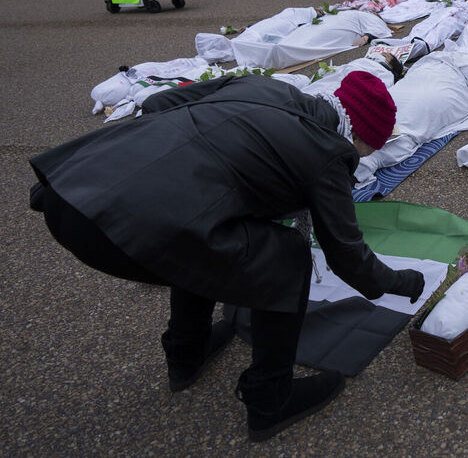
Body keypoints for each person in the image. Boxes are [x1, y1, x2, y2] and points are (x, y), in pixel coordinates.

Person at [28, 71, 425, 442]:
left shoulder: (264, 87)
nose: (363, 156)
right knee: (286, 256)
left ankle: (187, 353)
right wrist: (399, 281)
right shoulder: (328, 154)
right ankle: (271, 399)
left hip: (76, 186)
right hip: (116, 226)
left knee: (203, 225)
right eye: (368, 148)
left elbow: (159, 103)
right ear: (359, 135)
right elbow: (346, 255)